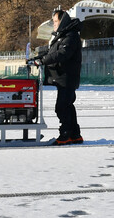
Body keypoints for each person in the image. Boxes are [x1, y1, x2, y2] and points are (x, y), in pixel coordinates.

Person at [35, 9, 84, 145]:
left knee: (62, 107)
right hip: (63, 77)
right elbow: (53, 52)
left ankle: (66, 134)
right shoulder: (63, 35)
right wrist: (40, 57)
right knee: (68, 106)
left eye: (56, 21)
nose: (54, 24)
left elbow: (62, 53)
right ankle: (75, 135)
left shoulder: (71, 36)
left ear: (63, 21)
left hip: (67, 77)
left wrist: (43, 61)